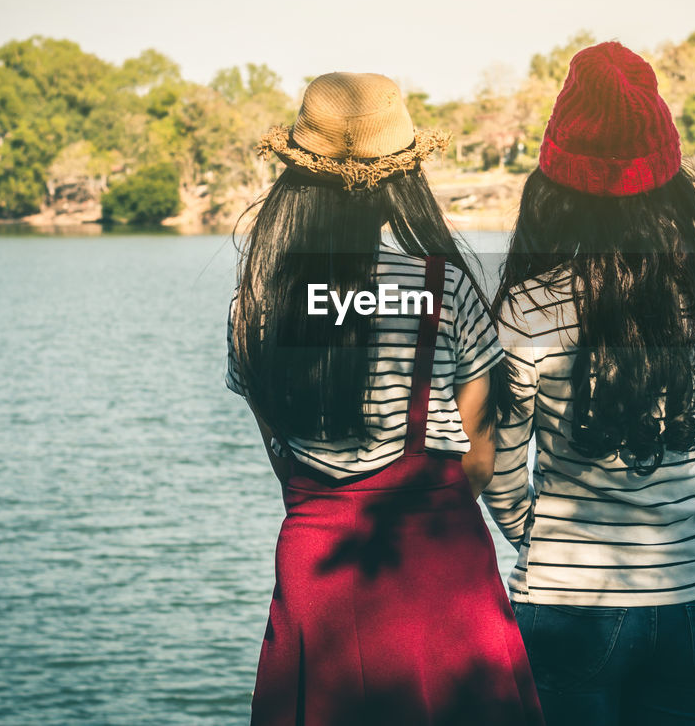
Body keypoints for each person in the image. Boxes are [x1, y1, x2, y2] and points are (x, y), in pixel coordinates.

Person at [226, 72, 544, 726]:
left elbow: (285, 461)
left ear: (297, 180)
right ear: (401, 181)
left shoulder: (254, 307)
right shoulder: (444, 289)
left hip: (317, 575)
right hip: (437, 568)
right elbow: (480, 462)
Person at [484, 42, 695, 725]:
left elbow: (502, 473)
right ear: (669, 183)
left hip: (568, 602)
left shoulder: (527, 310)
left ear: (554, 190)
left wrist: (538, 537)